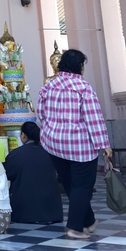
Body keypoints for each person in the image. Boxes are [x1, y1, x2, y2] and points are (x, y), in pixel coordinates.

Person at [37, 49, 112, 239]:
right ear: (79, 66)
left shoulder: (49, 85)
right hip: (79, 146)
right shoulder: (82, 87)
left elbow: (41, 113)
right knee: (83, 186)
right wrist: (104, 144)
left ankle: (89, 221)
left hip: (54, 144)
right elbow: (93, 118)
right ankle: (75, 228)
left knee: (71, 184)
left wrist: (52, 129)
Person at [4, 121, 63, 224]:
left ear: (23, 135)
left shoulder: (16, 154)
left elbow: (7, 174)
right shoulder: (51, 153)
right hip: (52, 212)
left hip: (24, 212)